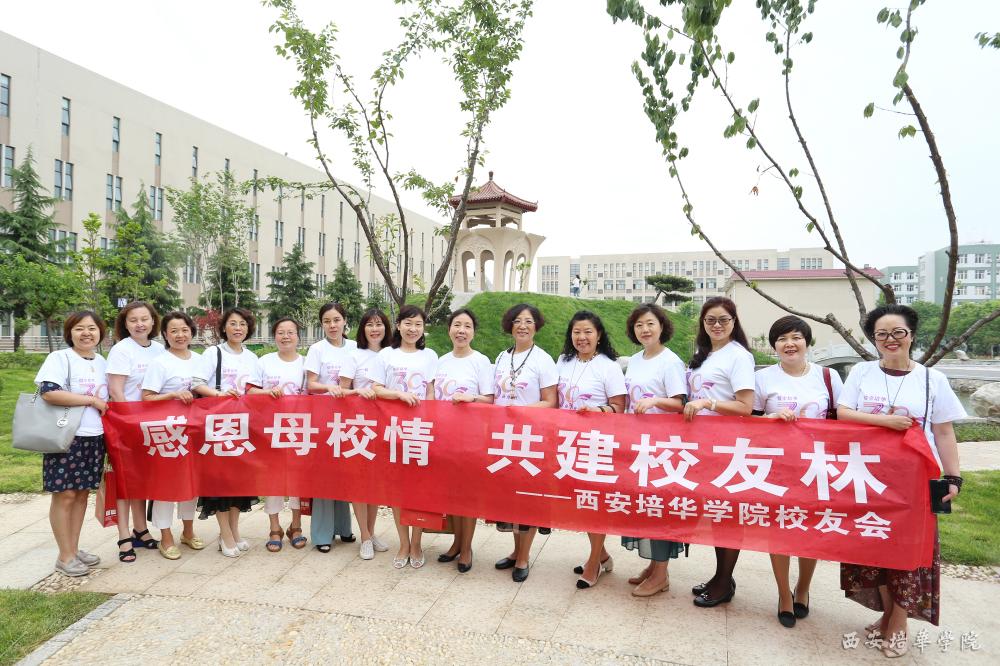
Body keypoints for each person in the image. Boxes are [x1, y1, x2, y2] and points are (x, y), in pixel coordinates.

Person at [837, 304, 964, 658]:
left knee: (907, 551)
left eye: (898, 332)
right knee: (876, 547)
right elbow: (843, 413)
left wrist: (953, 476)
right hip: (867, 476)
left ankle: (899, 622)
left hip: (914, 480)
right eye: (881, 334)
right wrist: (885, 422)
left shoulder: (932, 379)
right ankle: (887, 614)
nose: (890, 339)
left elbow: (943, 431)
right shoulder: (862, 372)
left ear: (911, 335)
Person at [753, 315, 842, 628]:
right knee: (779, 530)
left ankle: (803, 587)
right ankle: (784, 594)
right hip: (777, 467)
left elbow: (843, 421)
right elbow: (747, 421)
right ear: (774, 346)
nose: (789, 344)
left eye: (796, 337)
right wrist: (770, 419)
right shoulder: (763, 378)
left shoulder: (828, 376)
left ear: (807, 342)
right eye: (782, 339)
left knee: (810, 529)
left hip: (817, 468)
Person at [682, 296, 755, 607]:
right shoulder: (705, 354)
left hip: (727, 446)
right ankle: (720, 576)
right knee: (716, 512)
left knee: (727, 515)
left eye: (724, 319)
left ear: (734, 322)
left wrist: (708, 403)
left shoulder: (739, 356)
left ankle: (724, 581)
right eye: (710, 319)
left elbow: (746, 406)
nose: (717, 325)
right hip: (702, 445)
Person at [620, 304, 688, 597]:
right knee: (643, 506)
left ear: (662, 326)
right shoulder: (636, 359)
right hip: (638, 444)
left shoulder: (670, 361)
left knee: (659, 507)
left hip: (662, 445)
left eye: (650, 323)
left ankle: (661, 574)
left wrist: (655, 401)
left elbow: (681, 403)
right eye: (639, 325)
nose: (645, 330)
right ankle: (653, 565)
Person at [35, 311, 110, 576]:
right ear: (70, 333)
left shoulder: (101, 361)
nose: (86, 333)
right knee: (65, 494)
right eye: (79, 328)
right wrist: (91, 400)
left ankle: (74, 549)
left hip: (95, 436)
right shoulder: (60, 358)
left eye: (92, 328)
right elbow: (49, 392)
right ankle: (64, 556)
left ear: (100, 332)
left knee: (81, 494)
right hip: (66, 436)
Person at [557, 311, 626, 590]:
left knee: (594, 504)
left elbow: (619, 407)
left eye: (588, 332)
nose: (582, 337)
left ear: (599, 336)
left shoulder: (609, 366)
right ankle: (603, 555)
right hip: (566, 442)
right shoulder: (563, 361)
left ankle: (594, 562)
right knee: (579, 504)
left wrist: (598, 410)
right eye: (576, 332)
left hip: (596, 444)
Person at [492, 303, 558, 583]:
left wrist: (521, 412)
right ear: (510, 325)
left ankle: (524, 556)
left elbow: (551, 401)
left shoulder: (543, 359)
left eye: (528, 321)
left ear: (536, 326)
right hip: (503, 437)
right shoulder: (501, 356)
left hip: (531, 437)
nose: (522, 326)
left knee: (527, 497)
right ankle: (515, 550)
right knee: (510, 497)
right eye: (517, 320)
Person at [371, 305, 439, 569]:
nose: (413, 329)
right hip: (393, 429)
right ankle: (403, 543)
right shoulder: (386, 355)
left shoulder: (429, 356)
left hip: (420, 431)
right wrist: (399, 395)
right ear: (398, 325)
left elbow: (430, 391)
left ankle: (417, 542)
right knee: (397, 489)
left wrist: (430, 420)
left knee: (419, 489)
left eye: (418, 324)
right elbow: (376, 389)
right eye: (408, 323)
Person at [191, 307, 261, 558]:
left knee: (239, 481)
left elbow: (254, 390)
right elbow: (196, 383)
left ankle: (234, 530)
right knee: (220, 480)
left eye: (242, 323)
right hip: (218, 424)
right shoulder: (214, 353)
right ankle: (225, 534)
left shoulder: (252, 357)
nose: (238, 328)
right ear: (224, 328)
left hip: (243, 425)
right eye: (233, 323)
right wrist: (219, 394)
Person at [432, 308, 495, 573]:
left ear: (473, 332)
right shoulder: (441, 361)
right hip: (444, 436)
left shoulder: (480, 361)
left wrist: (471, 398)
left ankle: (467, 547)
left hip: (470, 437)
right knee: (451, 493)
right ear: (449, 329)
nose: (461, 330)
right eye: (457, 325)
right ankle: (456, 543)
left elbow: (490, 399)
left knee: (467, 494)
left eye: (467, 326)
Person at [141, 311, 204, 560]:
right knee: (166, 485)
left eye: (185, 330)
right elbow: (147, 397)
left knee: (191, 482)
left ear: (192, 332)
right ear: (165, 335)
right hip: (167, 432)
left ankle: (188, 531)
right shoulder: (160, 362)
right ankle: (165, 537)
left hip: (195, 430)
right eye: (174, 331)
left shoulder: (200, 360)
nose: (180, 335)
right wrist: (173, 395)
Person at [106, 301, 164, 562]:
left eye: (144, 319)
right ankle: (123, 536)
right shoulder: (121, 350)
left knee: (141, 479)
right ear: (125, 324)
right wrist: (129, 422)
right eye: (133, 320)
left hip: (153, 424)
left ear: (153, 321)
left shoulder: (160, 350)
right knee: (125, 481)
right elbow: (116, 391)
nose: (139, 324)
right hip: (127, 423)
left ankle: (141, 530)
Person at [247, 317, 308, 553]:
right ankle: (274, 527)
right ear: (274, 336)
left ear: (298, 337)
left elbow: (312, 394)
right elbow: (250, 391)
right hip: (269, 429)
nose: (285, 336)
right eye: (281, 332)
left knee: (296, 479)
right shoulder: (264, 361)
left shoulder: (305, 363)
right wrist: (267, 393)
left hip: (298, 428)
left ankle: (296, 525)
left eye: (290, 332)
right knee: (272, 479)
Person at [339, 308, 393, 560]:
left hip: (386, 426)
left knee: (376, 483)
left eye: (379, 324)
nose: (374, 329)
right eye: (369, 324)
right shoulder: (354, 355)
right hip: (359, 426)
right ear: (362, 329)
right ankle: (364, 537)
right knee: (360, 483)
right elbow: (341, 391)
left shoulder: (392, 354)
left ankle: (371, 532)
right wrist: (358, 392)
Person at [304, 302, 357, 552]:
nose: (332, 325)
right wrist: (331, 388)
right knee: (324, 475)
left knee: (345, 474)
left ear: (345, 321)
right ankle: (322, 534)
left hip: (351, 419)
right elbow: (311, 385)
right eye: (327, 321)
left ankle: (343, 528)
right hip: (323, 419)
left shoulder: (355, 347)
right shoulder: (317, 349)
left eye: (336, 320)